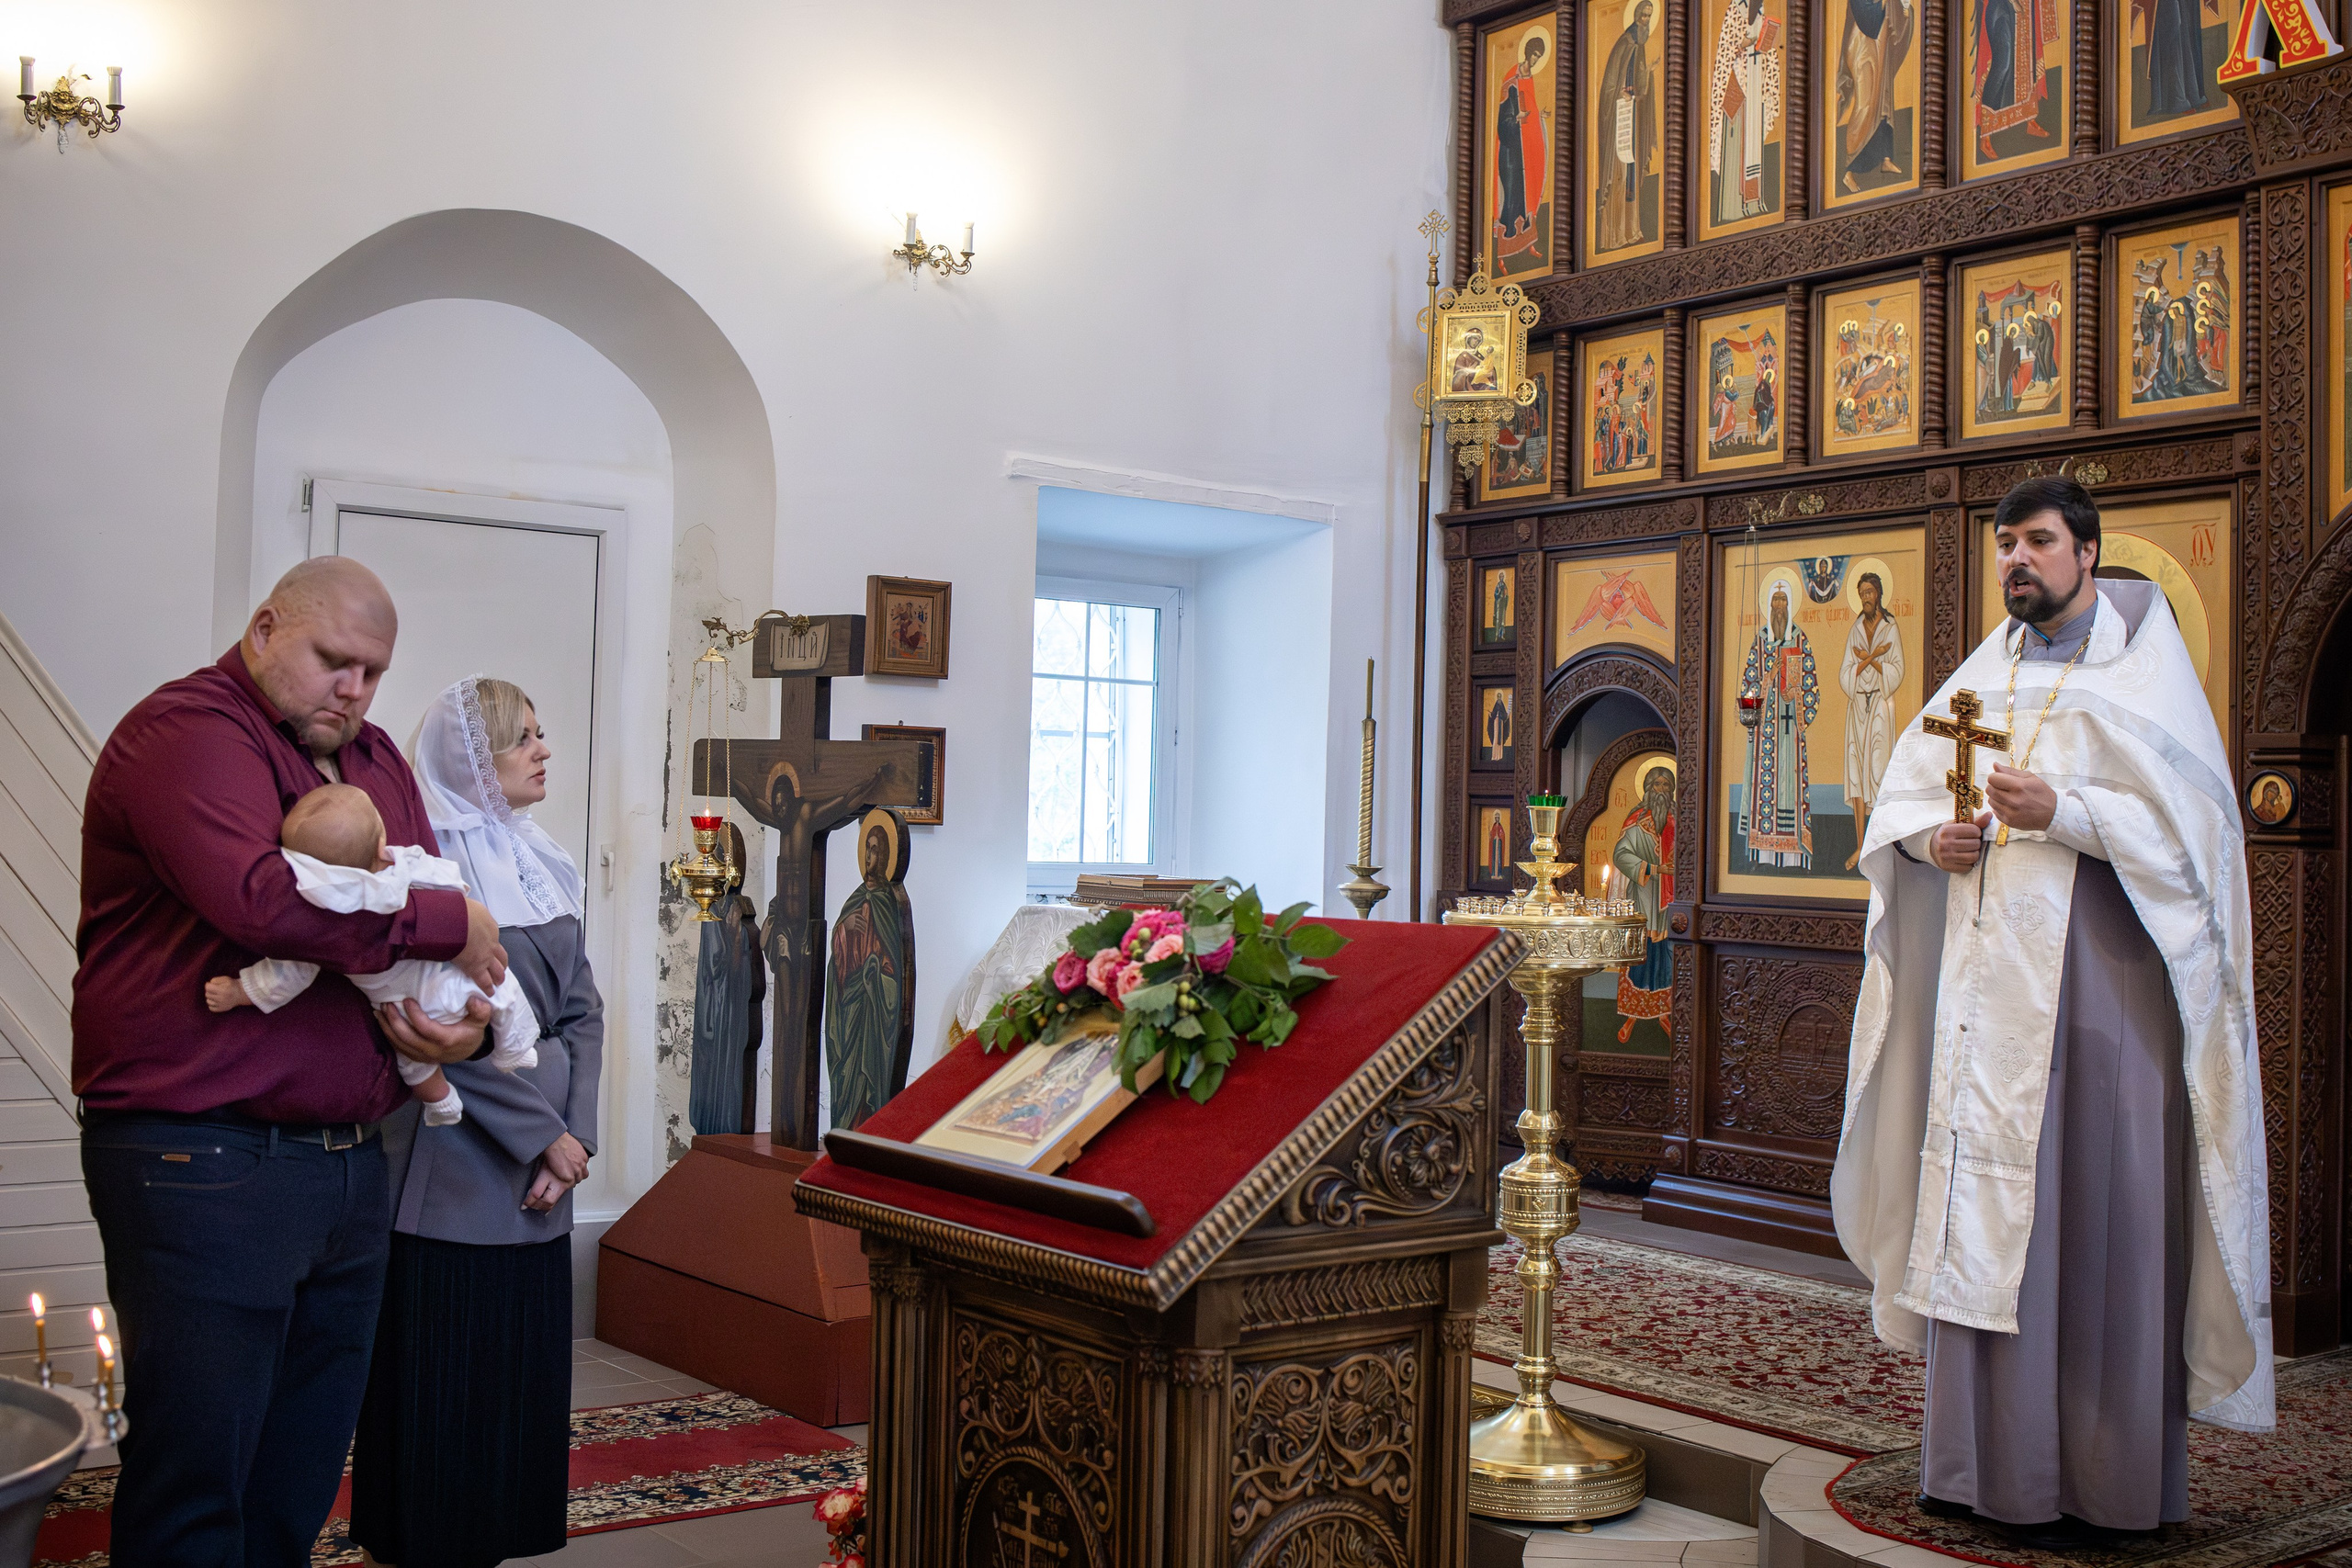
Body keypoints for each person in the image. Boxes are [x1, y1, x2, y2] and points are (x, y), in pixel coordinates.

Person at [1833, 476, 2271, 1548]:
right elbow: (1906, 802)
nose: (2014, 563)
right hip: (1986, 1008)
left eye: (2035, 543)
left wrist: (2065, 810)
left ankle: (2105, 1482)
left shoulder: (2145, 684)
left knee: (2099, 1217)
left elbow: (2201, 854)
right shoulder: (1984, 679)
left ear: (2086, 552)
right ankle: (1975, 1465)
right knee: (1980, 1221)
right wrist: (1931, 845)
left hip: (2104, 1000)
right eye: (2004, 547)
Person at [74, 558, 504, 1564]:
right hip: (202, 1158)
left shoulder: (378, 756)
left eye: (373, 672)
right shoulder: (188, 734)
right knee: (198, 1477)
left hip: (351, 1157)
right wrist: (456, 922)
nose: (353, 691)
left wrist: (468, 1030)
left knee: (297, 1475)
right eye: (333, 662)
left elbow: (408, 903)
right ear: (266, 629)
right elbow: (270, 904)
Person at [350, 677, 603, 1568]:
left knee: (518, 1395)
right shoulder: (428, 872)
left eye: (542, 733)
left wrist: (575, 1146)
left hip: (547, 1173)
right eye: (521, 739)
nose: (543, 751)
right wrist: (543, 1136)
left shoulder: (544, 859)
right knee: (445, 1393)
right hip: (459, 1171)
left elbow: (583, 1013)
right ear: (471, 762)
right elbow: (435, 1028)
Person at [205, 783, 542, 1125]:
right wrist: (464, 913)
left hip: (394, 1006)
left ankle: (441, 1103)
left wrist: (240, 992)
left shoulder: (320, 916)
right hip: (447, 984)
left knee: (410, 1059)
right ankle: (516, 1048)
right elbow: (451, 884)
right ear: (382, 841)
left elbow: (289, 974)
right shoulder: (405, 868)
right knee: (502, 987)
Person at [1740, 581, 1817, 867]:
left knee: (1790, 788)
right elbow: (1747, 687)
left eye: (1784, 602)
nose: (1780, 608)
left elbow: (1812, 688)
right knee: (1764, 788)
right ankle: (1762, 852)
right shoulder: (1759, 641)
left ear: (1791, 606)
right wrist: (1768, 680)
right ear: (1768, 606)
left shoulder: (1800, 640)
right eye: (1776, 602)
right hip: (1764, 735)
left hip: (1790, 733)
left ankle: (1794, 855)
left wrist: (1794, 695)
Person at [1839, 572, 1905, 869]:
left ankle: (1878, 844)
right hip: (1857, 707)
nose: (1866, 598)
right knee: (1856, 773)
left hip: (1880, 704)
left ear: (1878, 594)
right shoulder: (1855, 628)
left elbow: (1897, 669)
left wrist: (1871, 658)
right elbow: (1845, 672)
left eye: (1870, 592)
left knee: (1878, 769)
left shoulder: (1890, 627)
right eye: (1862, 593)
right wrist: (1872, 657)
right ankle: (1858, 844)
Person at [1609, 765, 1676, 1041]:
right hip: (1644, 900)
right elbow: (1620, 855)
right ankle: (1631, 1018)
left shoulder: (1680, 821)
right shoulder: (1637, 822)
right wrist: (1654, 869)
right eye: (1656, 785)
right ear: (1647, 789)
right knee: (1640, 957)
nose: (1661, 790)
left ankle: (1666, 1013)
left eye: (1666, 785)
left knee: (1667, 959)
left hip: (1671, 904)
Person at [1709, 0, 1782, 224]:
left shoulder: (1759, 12)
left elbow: (1766, 49)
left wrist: (1764, 43)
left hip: (1755, 81)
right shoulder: (1734, 10)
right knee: (1738, 143)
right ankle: (1734, 206)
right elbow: (1727, 48)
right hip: (1736, 88)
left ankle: (1753, 202)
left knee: (1754, 148)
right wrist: (1744, 43)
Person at [1596, 0, 1658, 254]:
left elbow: (1640, 82)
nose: (1645, 20)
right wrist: (1619, 94)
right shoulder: (1624, 44)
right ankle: (1614, 235)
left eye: (1649, 16)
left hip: (1631, 115)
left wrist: (1649, 73)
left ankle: (1631, 231)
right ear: (1635, 15)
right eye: (1643, 15)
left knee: (1632, 174)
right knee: (1620, 174)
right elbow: (1609, 87)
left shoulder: (1639, 47)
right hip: (1619, 118)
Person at [1492, 30, 1549, 249]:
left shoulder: (1529, 79)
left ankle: (1526, 242)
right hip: (1510, 150)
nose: (1535, 60)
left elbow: (1530, 107)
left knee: (1525, 196)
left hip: (1525, 148)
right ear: (1527, 53)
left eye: (1539, 56)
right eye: (1534, 55)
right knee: (1512, 195)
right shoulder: (1511, 79)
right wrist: (1516, 118)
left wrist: (1539, 117)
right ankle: (1506, 244)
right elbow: (1502, 120)